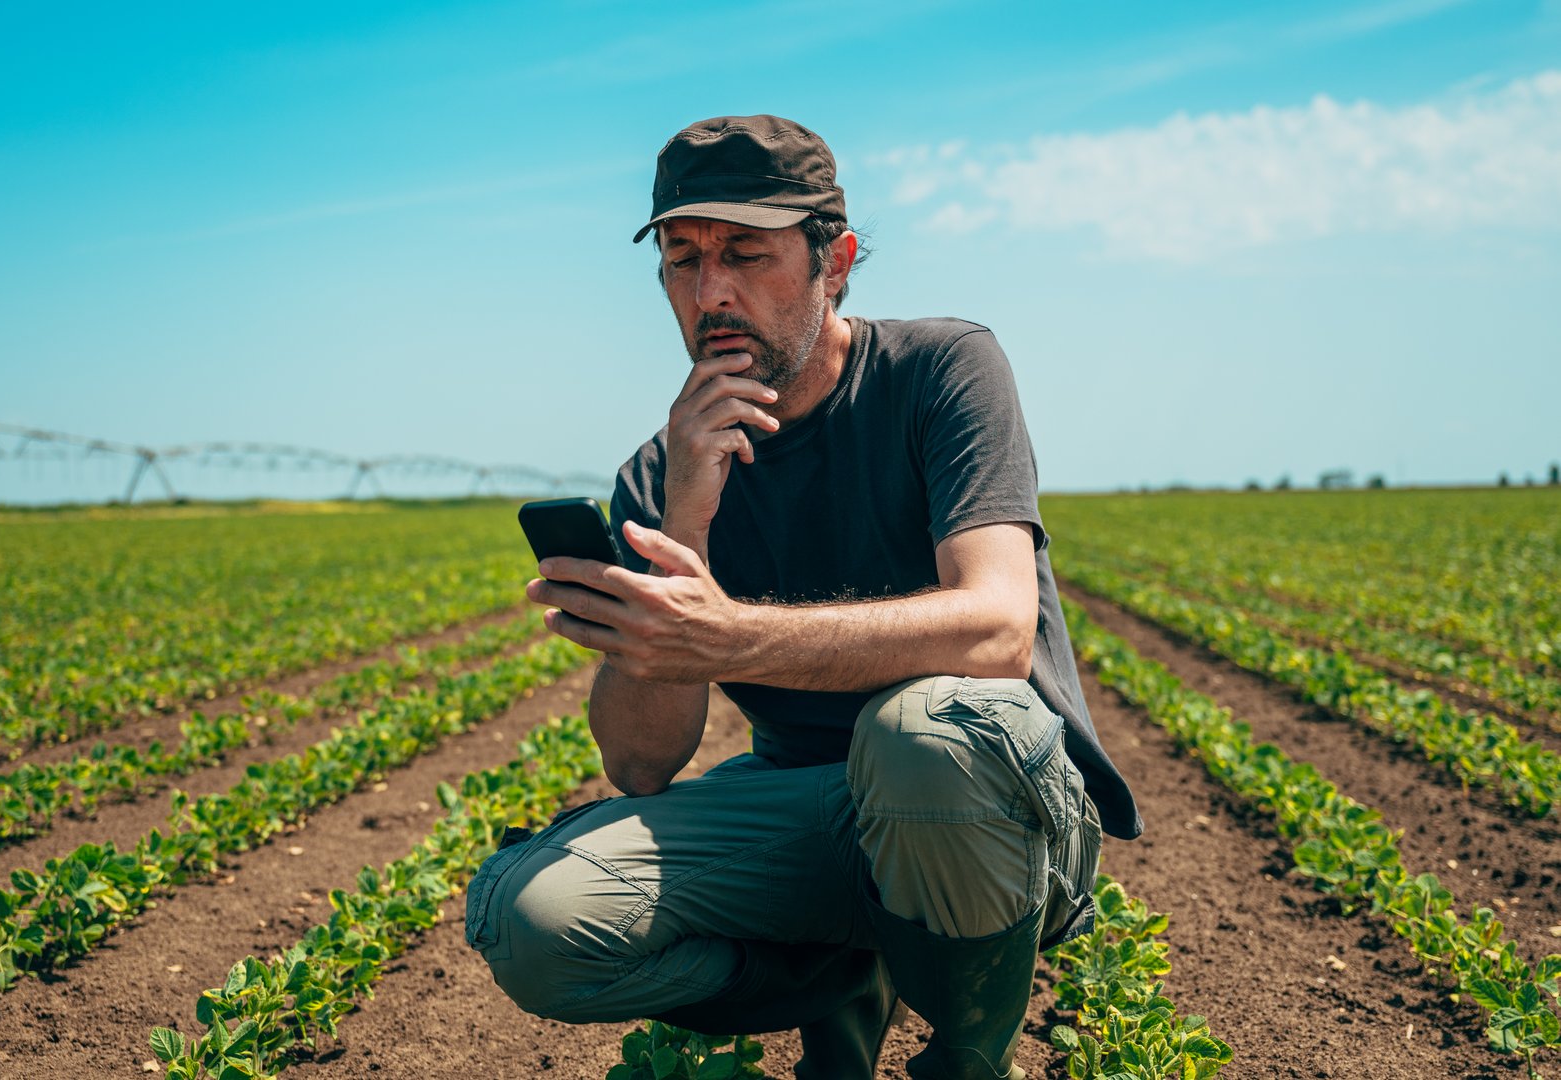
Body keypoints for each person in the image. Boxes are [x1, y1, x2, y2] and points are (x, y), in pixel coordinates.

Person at [466, 114, 1141, 1080]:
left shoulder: (942, 370)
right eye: (682, 259)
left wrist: (730, 637)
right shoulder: (660, 473)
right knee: (537, 926)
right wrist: (685, 524)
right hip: (816, 813)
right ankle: (840, 979)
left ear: (838, 263)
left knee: (922, 733)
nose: (712, 294)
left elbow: (996, 626)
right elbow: (641, 761)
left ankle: (966, 1055)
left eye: (747, 253)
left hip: (996, 810)